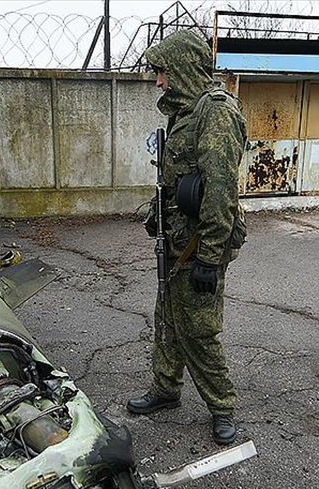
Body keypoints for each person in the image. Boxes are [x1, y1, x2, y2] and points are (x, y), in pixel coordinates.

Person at [126, 29, 247, 446]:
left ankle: (222, 407)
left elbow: (219, 193)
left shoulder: (214, 112)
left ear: (180, 68)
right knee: (168, 317)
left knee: (198, 327)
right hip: (178, 239)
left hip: (201, 244)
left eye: (162, 71)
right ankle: (166, 389)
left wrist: (209, 259)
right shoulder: (184, 112)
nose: (158, 81)